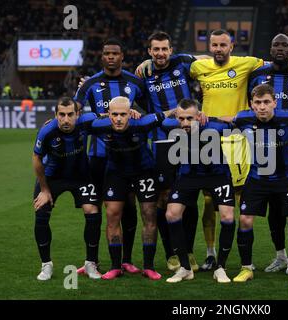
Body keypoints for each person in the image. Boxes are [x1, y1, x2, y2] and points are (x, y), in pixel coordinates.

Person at [189, 29, 288, 271]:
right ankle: (212, 253)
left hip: (242, 139)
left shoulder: (248, 65)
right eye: (214, 44)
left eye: (223, 44)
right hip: (210, 137)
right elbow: (180, 61)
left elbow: (280, 58)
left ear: (232, 46)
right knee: (208, 200)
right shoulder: (198, 68)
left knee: (246, 198)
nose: (218, 48)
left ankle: (278, 258)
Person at [134, 31, 209, 272]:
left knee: (191, 195)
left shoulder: (183, 62)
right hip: (162, 143)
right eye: (155, 50)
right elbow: (129, 97)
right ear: (149, 51)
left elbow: (209, 59)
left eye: (164, 49)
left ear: (171, 49)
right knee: (164, 198)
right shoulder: (143, 74)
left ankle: (188, 250)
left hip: (190, 139)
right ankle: (172, 253)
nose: (160, 54)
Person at [74, 38, 148, 275]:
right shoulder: (90, 84)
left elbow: (150, 111)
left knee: (127, 207)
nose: (111, 57)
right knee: (94, 209)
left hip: (126, 157)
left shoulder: (134, 82)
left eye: (115, 53)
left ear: (122, 56)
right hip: (98, 156)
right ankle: (91, 261)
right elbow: (74, 112)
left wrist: (136, 112)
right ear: (102, 56)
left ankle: (125, 260)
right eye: (107, 53)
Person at [222, 84, 288, 284]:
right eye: (258, 103)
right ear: (252, 105)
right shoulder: (244, 118)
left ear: (274, 103)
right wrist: (202, 116)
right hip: (257, 179)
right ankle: (246, 268)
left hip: (287, 178)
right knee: (244, 220)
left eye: (266, 102)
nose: (262, 107)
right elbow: (226, 120)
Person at [248, 33, 288, 275]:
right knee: (274, 207)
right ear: (270, 48)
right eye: (276, 44)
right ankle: (280, 256)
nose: (280, 49)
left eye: (285, 45)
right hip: (265, 149)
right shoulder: (257, 75)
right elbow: (251, 106)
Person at [90, 96, 174, 280]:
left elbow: (169, 113)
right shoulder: (99, 125)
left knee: (149, 214)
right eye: (114, 114)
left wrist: (194, 113)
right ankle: (115, 266)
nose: (118, 119)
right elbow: (75, 121)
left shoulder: (142, 123)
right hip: (116, 173)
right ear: (108, 114)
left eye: (123, 114)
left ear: (130, 114)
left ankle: (149, 266)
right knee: (112, 214)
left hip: (144, 172)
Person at [162, 99, 236, 283]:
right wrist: (172, 112)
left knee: (228, 216)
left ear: (199, 116)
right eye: (181, 119)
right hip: (188, 174)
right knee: (172, 214)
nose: (185, 123)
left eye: (190, 118)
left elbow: (239, 121)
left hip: (217, 174)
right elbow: (159, 119)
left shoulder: (215, 126)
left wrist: (210, 116)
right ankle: (185, 268)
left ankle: (220, 267)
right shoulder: (170, 124)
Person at [32, 97, 101, 281]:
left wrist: (133, 112)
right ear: (55, 115)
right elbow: (36, 159)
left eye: (70, 114)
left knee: (92, 210)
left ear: (78, 114)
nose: (66, 119)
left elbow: (110, 115)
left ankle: (91, 263)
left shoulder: (87, 121)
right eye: (61, 115)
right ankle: (46, 265)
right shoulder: (47, 131)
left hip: (81, 176)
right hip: (52, 177)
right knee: (41, 212)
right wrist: (45, 190)